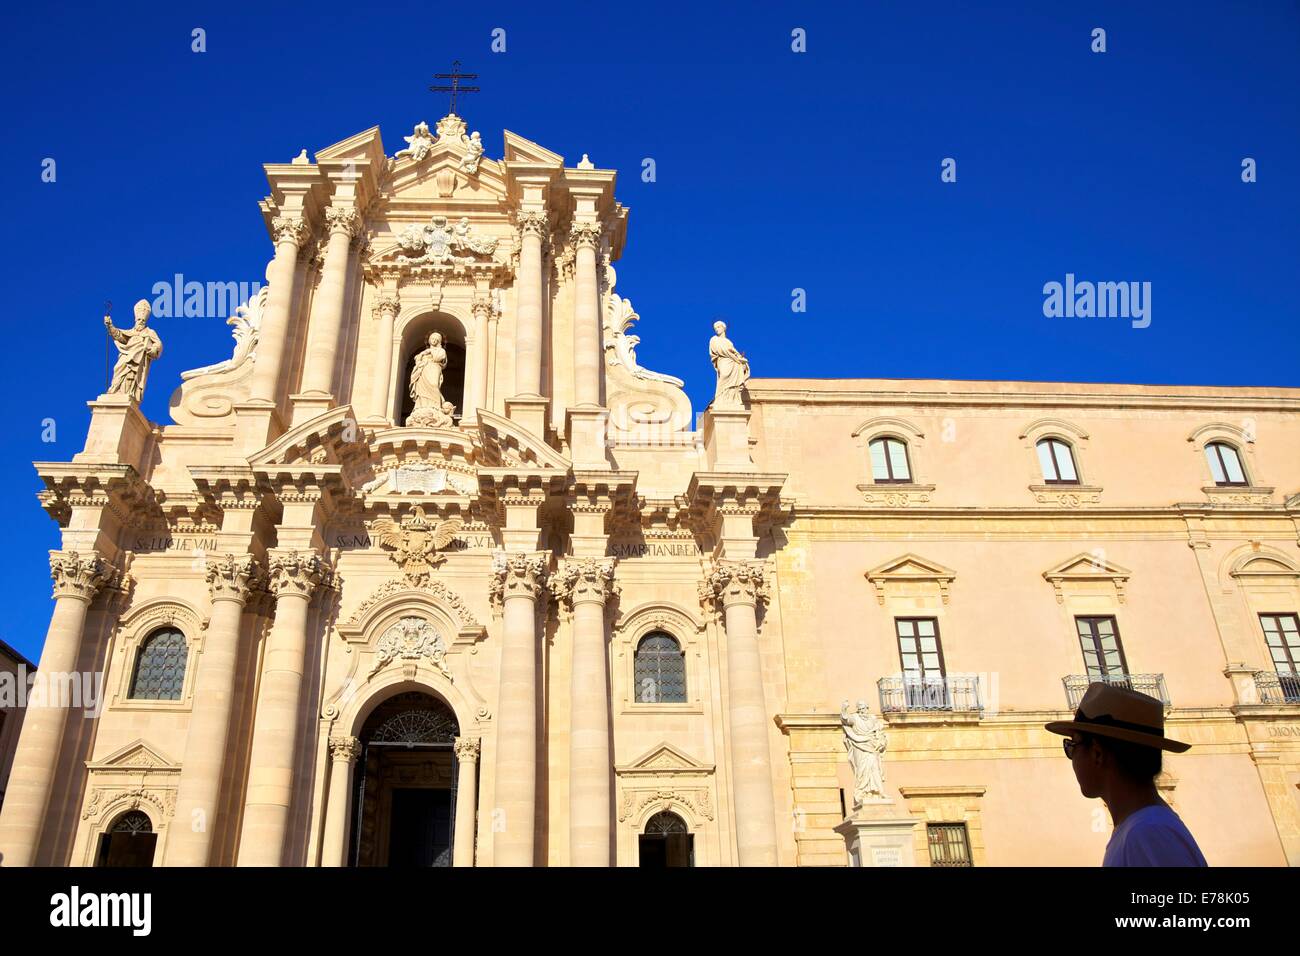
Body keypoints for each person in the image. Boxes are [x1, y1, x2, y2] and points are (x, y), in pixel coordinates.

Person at [1045, 682, 1207, 866]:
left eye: (1072, 746)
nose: (1072, 758)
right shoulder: (1141, 829)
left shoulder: (1147, 833)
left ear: (1097, 753)